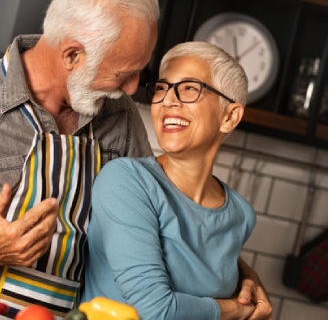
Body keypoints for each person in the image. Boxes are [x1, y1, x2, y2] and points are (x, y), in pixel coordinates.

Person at [0, 0, 271, 318]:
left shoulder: (119, 117)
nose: (133, 89)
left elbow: (160, 224)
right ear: (72, 55)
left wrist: (242, 276)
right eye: (122, 73)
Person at [81, 41, 270, 320]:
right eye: (161, 88)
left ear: (230, 117)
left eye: (190, 88)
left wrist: (247, 279)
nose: (168, 100)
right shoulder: (126, 182)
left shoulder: (240, 214)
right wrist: (237, 310)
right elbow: (154, 310)